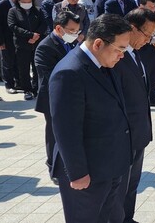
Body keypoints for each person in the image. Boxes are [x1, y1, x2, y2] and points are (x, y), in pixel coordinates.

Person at [49, 14, 133, 223]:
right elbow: (66, 130)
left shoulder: (103, 63)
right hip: (87, 174)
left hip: (109, 166)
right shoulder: (69, 72)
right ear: (98, 43)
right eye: (120, 49)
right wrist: (77, 173)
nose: (123, 55)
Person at [113, 8, 155, 223]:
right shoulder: (116, 57)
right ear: (132, 28)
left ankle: (127, 218)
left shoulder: (135, 53)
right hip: (124, 135)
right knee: (120, 186)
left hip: (138, 133)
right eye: (147, 34)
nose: (149, 40)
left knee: (132, 184)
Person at [34, 11, 81, 181]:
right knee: (54, 134)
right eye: (71, 30)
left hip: (72, 96)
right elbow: (49, 76)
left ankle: (68, 165)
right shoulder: (46, 47)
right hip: (54, 98)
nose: (75, 34)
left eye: (77, 30)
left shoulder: (72, 42)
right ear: (59, 28)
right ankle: (53, 167)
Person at [8, 0, 47, 100]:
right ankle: (27, 89)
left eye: (29, 1)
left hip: (37, 44)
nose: (27, 4)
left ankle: (36, 89)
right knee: (23, 68)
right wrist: (30, 35)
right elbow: (13, 26)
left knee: (37, 68)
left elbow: (44, 24)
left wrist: (36, 36)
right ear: (19, 1)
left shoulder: (37, 11)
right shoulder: (13, 11)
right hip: (22, 45)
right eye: (24, 2)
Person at [0, 0, 23, 94]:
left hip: (18, 38)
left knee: (18, 61)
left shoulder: (20, 4)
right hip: (6, 38)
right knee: (8, 62)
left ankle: (18, 82)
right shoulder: (1, 5)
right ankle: (9, 85)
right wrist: (0, 41)